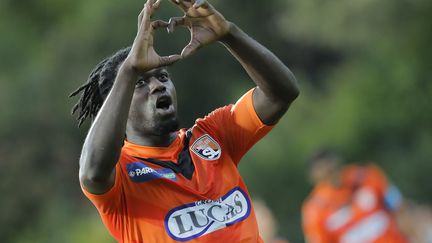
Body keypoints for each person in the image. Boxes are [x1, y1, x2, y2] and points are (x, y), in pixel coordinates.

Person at [70, 0, 299, 242]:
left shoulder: (213, 134)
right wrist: (129, 70)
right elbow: (92, 173)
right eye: (140, 83)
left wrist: (229, 34)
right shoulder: (122, 175)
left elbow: (281, 94)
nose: (158, 85)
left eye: (162, 76)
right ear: (119, 103)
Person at [302, 149, 409, 243]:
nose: (329, 172)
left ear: (337, 161)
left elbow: (399, 207)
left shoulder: (366, 176)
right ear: (314, 177)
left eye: (330, 166)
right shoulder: (315, 210)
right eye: (323, 170)